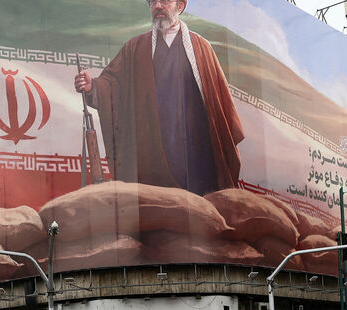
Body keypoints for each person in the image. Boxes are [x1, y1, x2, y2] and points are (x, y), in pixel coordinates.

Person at [74, 0, 244, 197]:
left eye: (165, 0)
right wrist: (92, 86)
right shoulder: (135, 47)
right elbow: (112, 84)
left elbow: (219, 103)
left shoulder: (201, 48)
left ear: (180, 6)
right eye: (153, 2)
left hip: (195, 149)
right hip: (151, 148)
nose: (158, 6)